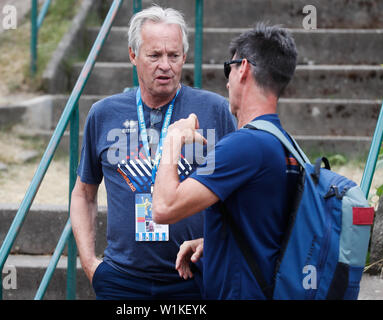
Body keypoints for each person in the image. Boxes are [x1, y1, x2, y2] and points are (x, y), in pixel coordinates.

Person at [70, 5, 236, 300]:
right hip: (122, 280)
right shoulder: (103, 114)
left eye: (173, 55)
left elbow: (241, 192)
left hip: (195, 276)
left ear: (184, 57)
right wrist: (91, 264)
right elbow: (84, 194)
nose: (165, 65)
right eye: (154, 55)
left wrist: (213, 242)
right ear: (133, 56)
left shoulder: (215, 110)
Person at [152, 23, 300, 299]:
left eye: (228, 70)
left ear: (243, 68)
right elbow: (264, 226)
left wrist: (172, 139)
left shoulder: (243, 146)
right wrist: (214, 242)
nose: (227, 81)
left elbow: (163, 208)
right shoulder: (284, 142)